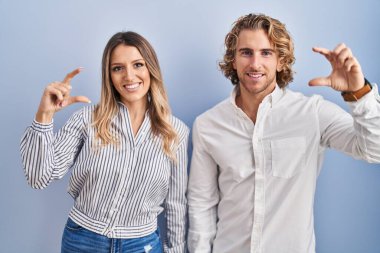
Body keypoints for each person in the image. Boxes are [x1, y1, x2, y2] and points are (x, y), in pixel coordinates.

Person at [187, 13, 380, 253]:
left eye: (266, 53)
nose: (255, 64)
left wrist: (359, 93)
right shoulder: (207, 125)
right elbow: (201, 205)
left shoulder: (313, 113)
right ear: (233, 60)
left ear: (281, 61)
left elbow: (374, 150)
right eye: (246, 52)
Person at [20, 31, 189, 253]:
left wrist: (175, 250)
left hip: (143, 245)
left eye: (137, 65)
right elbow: (38, 177)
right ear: (109, 76)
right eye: (118, 68)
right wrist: (44, 115)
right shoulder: (87, 120)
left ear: (151, 69)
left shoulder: (175, 132)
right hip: (82, 241)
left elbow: (176, 205)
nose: (129, 76)